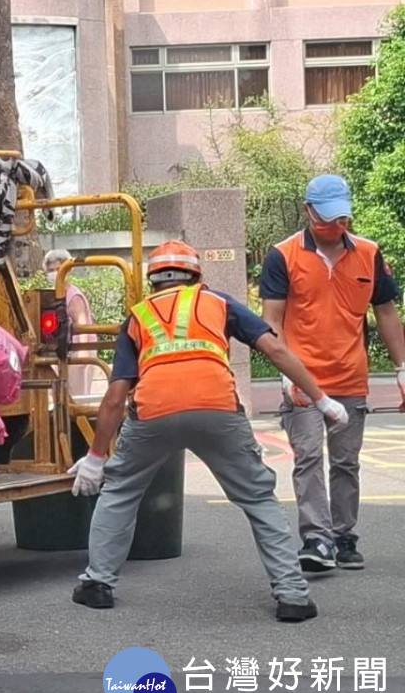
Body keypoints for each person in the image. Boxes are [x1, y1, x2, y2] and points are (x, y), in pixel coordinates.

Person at [67, 241, 349, 623]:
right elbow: (277, 351)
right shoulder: (219, 302)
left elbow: (116, 397)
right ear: (197, 275)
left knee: (120, 491)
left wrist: (96, 458)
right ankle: (293, 595)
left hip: (154, 412)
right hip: (217, 408)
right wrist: (322, 400)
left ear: (153, 280)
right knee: (258, 499)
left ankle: (97, 584)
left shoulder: (137, 317)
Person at [259, 174, 405, 572]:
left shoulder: (369, 254)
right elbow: (272, 319)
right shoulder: (282, 255)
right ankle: (316, 539)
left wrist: (402, 367)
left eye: (342, 218)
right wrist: (287, 375)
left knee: (346, 462)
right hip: (303, 378)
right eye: (326, 219)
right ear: (308, 211)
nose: (335, 226)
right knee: (306, 456)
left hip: (350, 377)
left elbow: (387, 313)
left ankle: (343, 536)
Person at [44, 249, 97, 398]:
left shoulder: (74, 296)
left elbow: (83, 326)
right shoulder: (53, 296)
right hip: (64, 354)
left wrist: (83, 356)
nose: (55, 273)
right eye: (51, 270)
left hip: (78, 353)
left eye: (59, 269)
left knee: (77, 398)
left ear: (68, 271)